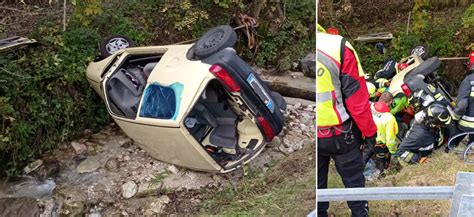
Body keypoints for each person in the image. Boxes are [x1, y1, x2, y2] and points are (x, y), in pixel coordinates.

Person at [317, 28, 377, 217]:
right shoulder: (337, 46)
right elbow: (357, 101)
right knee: (354, 184)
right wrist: (369, 133)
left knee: (317, 188)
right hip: (341, 134)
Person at [363, 92, 398, 173]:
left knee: (364, 158)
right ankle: (382, 175)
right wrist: (393, 152)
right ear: (390, 102)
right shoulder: (389, 118)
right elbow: (390, 140)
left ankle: (356, 174)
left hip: (366, 138)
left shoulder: (369, 105)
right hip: (380, 145)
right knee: (382, 162)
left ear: (380, 98)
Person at [448, 63, 474, 149]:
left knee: (452, 143)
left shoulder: (469, 80)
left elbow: (462, 105)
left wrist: (455, 117)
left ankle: (450, 147)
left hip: (466, 123)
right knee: (471, 148)